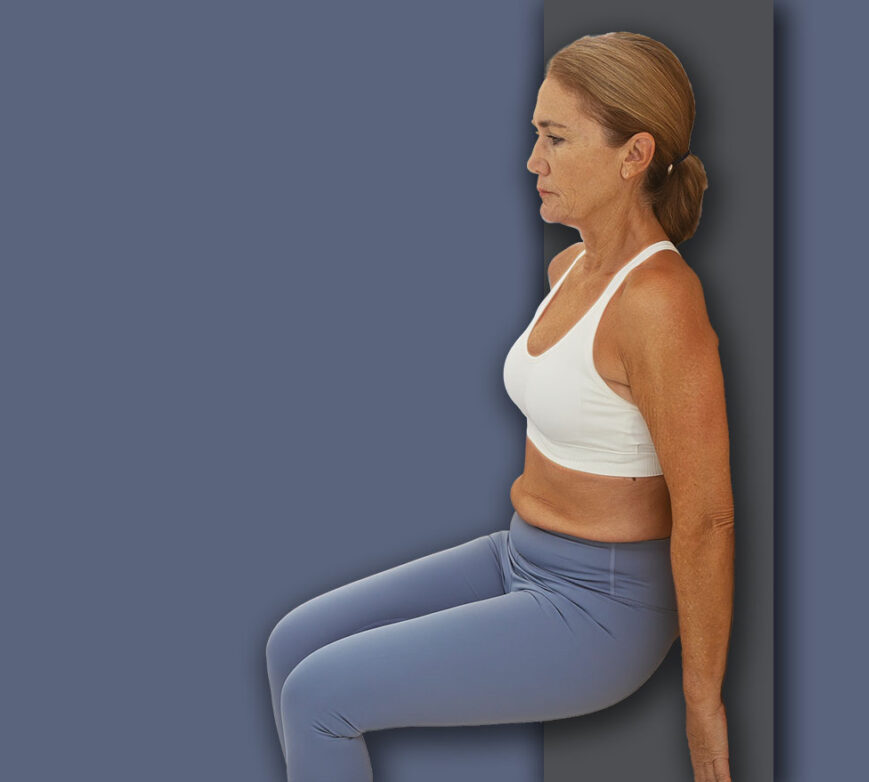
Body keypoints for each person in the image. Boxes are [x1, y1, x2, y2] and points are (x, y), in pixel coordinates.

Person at [266, 32, 734, 782]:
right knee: (292, 644)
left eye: (555, 138)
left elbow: (707, 518)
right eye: (533, 135)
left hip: (603, 609)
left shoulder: (659, 305)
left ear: (634, 154)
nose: (532, 162)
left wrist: (703, 705)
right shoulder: (571, 264)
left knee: (320, 695)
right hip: (521, 554)